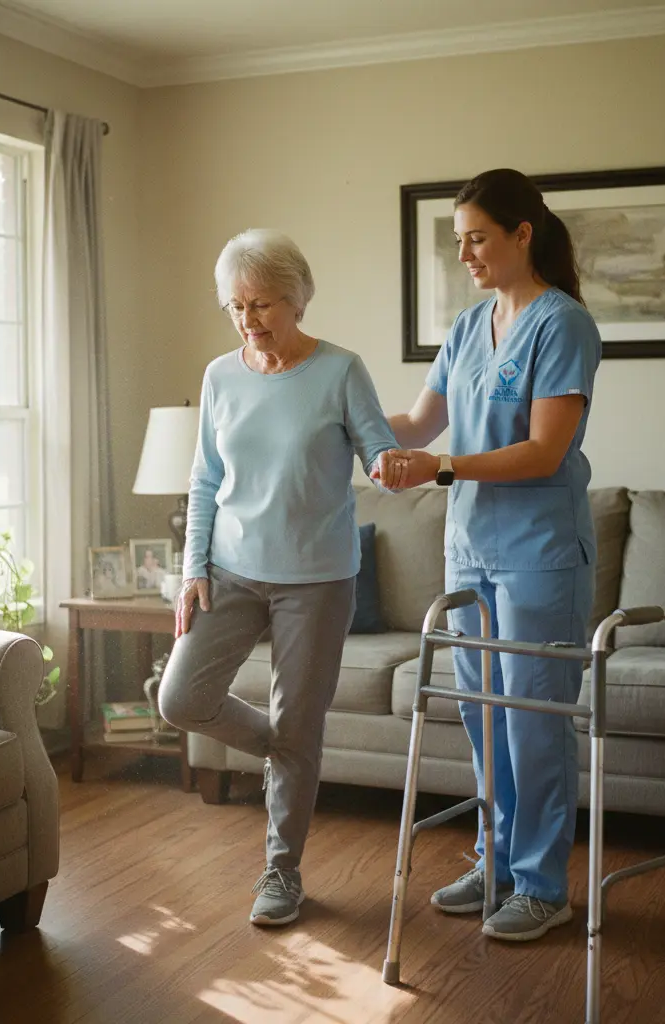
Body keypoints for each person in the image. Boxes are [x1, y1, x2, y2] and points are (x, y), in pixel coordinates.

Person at [374, 168, 602, 942]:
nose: (465, 254)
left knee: (535, 723)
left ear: (522, 234)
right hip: (468, 550)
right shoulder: (470, 327)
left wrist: (438, 469)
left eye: (477, 238)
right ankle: (496, 863)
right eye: (458, 240)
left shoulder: (563, 324)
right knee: (483, 718)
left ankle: (542, 886)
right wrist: (343, 421)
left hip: (539, 554)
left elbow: (543, 451)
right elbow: (418, 424)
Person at [158, 228, 397, 927]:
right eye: (235, 306)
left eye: (260, 304)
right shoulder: (220, 375)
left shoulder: (340, 370)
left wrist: (389, 463)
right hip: (229, 571)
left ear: (297, 299)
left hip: (317, 581)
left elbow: (378, 448)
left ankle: (281, 873)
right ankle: (287, 748)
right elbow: (205, 479)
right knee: (182, 698)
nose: (248, 320)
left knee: (299, 720)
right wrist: (192, 568)